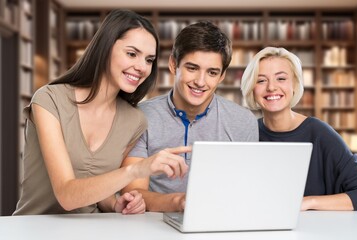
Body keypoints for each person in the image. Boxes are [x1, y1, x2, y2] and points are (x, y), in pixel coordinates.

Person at [13, 9, 190, 215]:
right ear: (105, 48)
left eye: (149, 60)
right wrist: (137, 169)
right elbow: (67, 195)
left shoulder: (134, 120)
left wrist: (116, 204)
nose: (142, 67)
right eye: (132, 54)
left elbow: (98, 184)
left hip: (94, 229)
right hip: (33, 228)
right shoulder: (49, 100)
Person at [122, 21, 258, 212]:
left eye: (212, 72)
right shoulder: (140, 117)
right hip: (153, 224)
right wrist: (180, 202)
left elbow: (248, 189)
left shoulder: (243, 122)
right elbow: (134, 193)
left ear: (221, 77)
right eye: (192, 68)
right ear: (173, 64)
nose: (200, 82)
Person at [240, 46, 357, 211]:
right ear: (252, 88)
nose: (271, 87)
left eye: (281, 78)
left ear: (294, 85)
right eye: (261, 80)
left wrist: (308, 202)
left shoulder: (319, 133)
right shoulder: (247, 135)